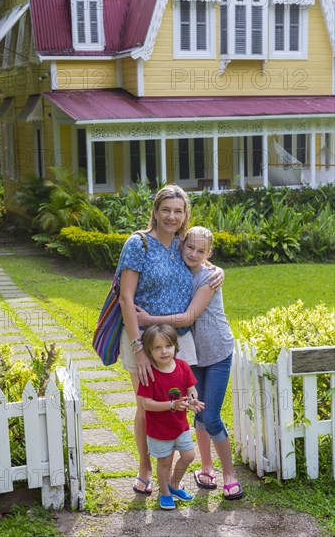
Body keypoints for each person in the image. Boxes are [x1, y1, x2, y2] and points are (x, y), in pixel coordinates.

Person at [116, 185, 224, 494]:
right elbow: (126, 299)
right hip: (143, 339)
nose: (171, 217)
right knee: (146, 406)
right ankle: (145, 468)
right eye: (166, 210)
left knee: (179, 403)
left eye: (178, 211)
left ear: (185, 215)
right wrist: (138, 349)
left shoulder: (181, 245)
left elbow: (203, 261)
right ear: (155, 211)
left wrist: (220, 271)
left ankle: (169, 473)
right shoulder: (139, 244)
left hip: (178, 341)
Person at [136, 226, 243, 500]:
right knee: (197, 409)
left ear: (209, 253)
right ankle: (206, 469)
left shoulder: (210, 277)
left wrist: (148, 321)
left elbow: (189, 316)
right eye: (190, 247)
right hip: (193, 354)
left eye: (201, 250)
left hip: (217, 350)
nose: (194, 254)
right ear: (182, 245)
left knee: (212, 415)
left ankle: (230, 475)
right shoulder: (180, 271)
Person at [137, 323, 205, 510]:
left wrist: (192, 401)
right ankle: (165, 493)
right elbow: (146, 404)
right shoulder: (150, 374)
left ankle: (174, 484)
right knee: (164, 462)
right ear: (149, 352)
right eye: (157, 348)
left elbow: (191, 390)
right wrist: (171, 405)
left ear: (175, 346)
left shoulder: (182, 366)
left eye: (168, 346)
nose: (164, 351)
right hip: (159, 430)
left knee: (189, 455)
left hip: (180, 426)